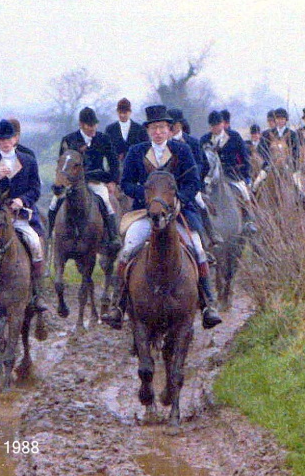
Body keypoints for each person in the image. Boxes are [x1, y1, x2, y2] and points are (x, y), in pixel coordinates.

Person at [101, 105, 221, 330]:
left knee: (198, 249)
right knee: (128, 249)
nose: (158, 132)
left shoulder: (182, 150)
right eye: (154, 128)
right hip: (145, 213)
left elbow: (193, 181)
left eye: (162, 128)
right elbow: (126, 183)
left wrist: (179, 199)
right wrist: (148, 197)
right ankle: (118, 305)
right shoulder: (136, 152)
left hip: (178, 213)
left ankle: (208, 304)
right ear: (148, 130)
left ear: (169, 129)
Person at [0, 119, 48, 313]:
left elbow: (35, 189)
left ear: (15, 139)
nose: (5, 143)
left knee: (35, 245)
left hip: (20, 216)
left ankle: (37, 293)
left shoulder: (28, 161)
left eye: (8, 139)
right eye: (1, 140)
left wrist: (22, 200)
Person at [46, 107, 121, 250]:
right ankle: (49, 234)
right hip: (72, 182)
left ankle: (113, 236)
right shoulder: (69, 140)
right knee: (54, 202)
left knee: (106, 201)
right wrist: (62, 182)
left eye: (95, 124)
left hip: (95, 180)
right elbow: (62, 164)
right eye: (89, 125)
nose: (93, 128)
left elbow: (113, 162)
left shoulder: (103, 139)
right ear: (81, 124)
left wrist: (112, 181)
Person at [169, 108, 222, 245]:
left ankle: (211, 233)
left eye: (172, 125)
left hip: (189, 185)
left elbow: (203, 164)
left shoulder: (192, 142)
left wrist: (193, 178)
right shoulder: (165, 143)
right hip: (169, 186)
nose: (170, 128)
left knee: (201, 203)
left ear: (179, 125)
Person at [200, 110, 256, 231]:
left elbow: (245, 157)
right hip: (211, 177)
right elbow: (201, 161)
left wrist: (246, 176)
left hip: (232, 175)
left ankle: (248, 221)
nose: (215, 128)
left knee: (244, 194)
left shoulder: (234, 137)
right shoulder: (204, 140)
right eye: (213, 126)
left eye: (217, 124)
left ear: (222, 124)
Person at [104, 98, 148, 163]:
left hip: (135, 165)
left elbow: (146, 148)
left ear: (130, 112)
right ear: (117, 112)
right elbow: (106, 148)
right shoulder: (110, 129)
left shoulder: (140, 129)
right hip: (115, 165)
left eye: (125, 113)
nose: (122, 115)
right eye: (120, 112)